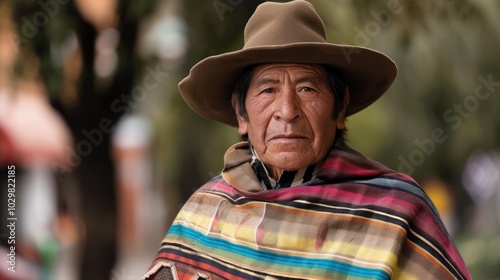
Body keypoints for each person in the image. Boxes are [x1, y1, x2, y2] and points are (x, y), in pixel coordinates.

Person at [142, 1, 471, 279]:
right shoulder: (203, 215)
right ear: (241, 115)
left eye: (307, 89)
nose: (287, 111)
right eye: (268, 90)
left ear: (339, 108)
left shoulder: (400, 213)